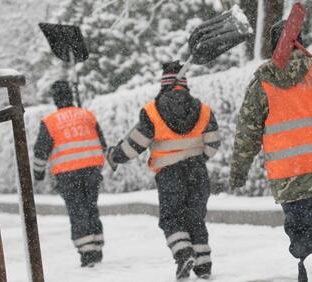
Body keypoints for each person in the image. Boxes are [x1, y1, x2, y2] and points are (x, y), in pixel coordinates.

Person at [107, 61, 220, 281]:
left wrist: (115, 156)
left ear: (163, 83)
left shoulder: (153, 111)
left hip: (170, 175)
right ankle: (204, 266)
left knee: (171, 218)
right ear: (185, 83)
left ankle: (183, 253)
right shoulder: (203, 110)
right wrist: (197, 159)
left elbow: (135, 145)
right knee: (195, 218)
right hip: (198, 172)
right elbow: (214, 144)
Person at [230, 20, 312, 282]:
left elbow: (247, 134)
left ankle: (304, 258)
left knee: (302, 232)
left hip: (289, 180)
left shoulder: (262, 84)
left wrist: (238, 172)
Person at [33, 80, 107, 267]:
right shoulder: (87, 115)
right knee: (91, 207)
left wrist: (38, 172)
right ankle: (97, 245)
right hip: (92, 170)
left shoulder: (50, 122)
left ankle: (87, 251)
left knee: (77, 210)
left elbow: (41, 151)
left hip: (67, 174)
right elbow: (102, 143)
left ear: (55, 99)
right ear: (71, 96)